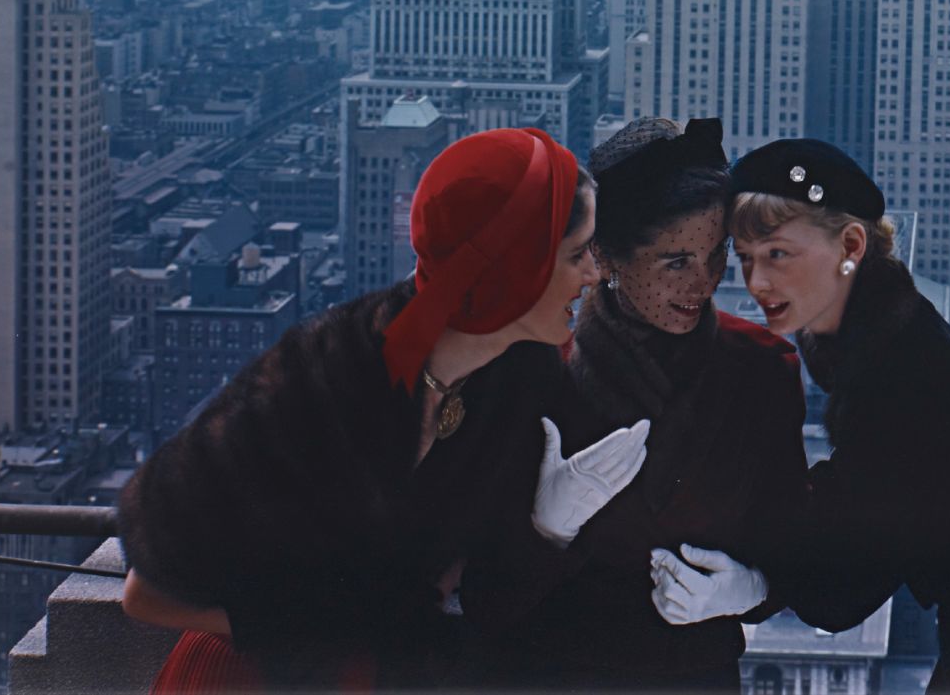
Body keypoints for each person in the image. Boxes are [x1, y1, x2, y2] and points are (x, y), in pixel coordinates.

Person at [119, 127, 651, 690]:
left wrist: (549, 529)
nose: (594, 273)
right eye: (576, 254)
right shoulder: (319, 385)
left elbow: (481, 587)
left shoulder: (521, 380)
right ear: (510, 269)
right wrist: (343, 622)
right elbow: (146, 594)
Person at [649, 138, 950, 695]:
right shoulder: (895, 337)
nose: (757, 283)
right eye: (747, 259)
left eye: (778, 254)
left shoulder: (896, 378)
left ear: (850, 246)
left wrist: (754, 583)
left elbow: (844, 589)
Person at [461, 117, 807, 692]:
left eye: (716, 255)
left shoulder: (763, 372)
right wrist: (545, 533)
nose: (705, 283)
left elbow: (791, 550)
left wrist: (754, 589)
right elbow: (480, 599)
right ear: (605, 257)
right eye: (676, 262)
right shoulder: (528, 371)